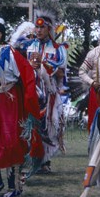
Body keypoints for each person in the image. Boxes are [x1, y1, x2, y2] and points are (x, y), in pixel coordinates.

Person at [0, 15, 41, 197]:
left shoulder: (8, 52)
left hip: (9, 101)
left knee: (11, 142)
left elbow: (26, 75)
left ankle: (14, 186)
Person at [23, 10, 67, 173]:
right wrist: (29, 66)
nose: (39, 30)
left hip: (49, 94)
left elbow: (62, 72)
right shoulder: (29, 46)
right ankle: (33, 159)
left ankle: (44, 161)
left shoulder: (58, 49)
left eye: (43, 27)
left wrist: (44, 64)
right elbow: (20, 66)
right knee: (31, 126)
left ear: (49, 29)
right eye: (37, 27)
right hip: (31, 91)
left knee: (49, 127)